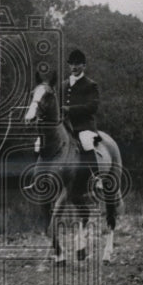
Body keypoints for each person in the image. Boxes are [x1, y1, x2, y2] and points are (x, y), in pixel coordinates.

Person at [62, 49, 101, 201]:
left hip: (84, 126)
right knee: (42, 142)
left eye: (77, 64)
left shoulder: (91, 85)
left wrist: (70, 109)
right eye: (71, 64)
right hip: (65, 126)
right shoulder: (63, 84)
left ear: (83, 66)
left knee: (85, 142)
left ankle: (96, 178)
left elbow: (93, 107)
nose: (74, 67)